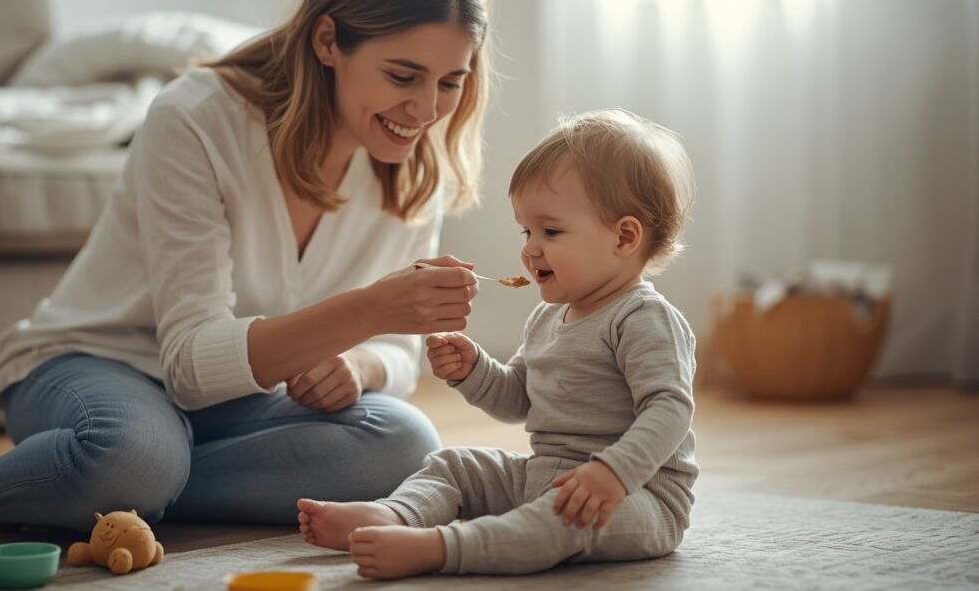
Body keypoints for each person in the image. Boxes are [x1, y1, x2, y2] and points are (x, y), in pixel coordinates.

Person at [0, 0, 493, 532]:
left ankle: (85, 484)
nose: (427, 109)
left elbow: (398, 351)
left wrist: (363, 364)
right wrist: (372, 308)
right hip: (97, 364)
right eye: (403, 75)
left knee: (404, 441)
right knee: (133, 455)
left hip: (228, 404)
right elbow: (186, 364)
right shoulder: (198, 116)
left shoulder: (413, 166)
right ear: (329, 40)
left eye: (450, 81)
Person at [297, 109, 699, 579]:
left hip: (638, 496)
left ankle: (441, 548)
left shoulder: (644, 318)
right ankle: (397, 514)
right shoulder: (549, 315)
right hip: (548, 474)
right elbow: (519, 401)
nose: (530, 248)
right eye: (526, 231)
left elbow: (670, 409)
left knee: (558, 521)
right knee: (456, 464)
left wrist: (613, 472)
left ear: (624, 237)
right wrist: (474, 371)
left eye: (550, 231)